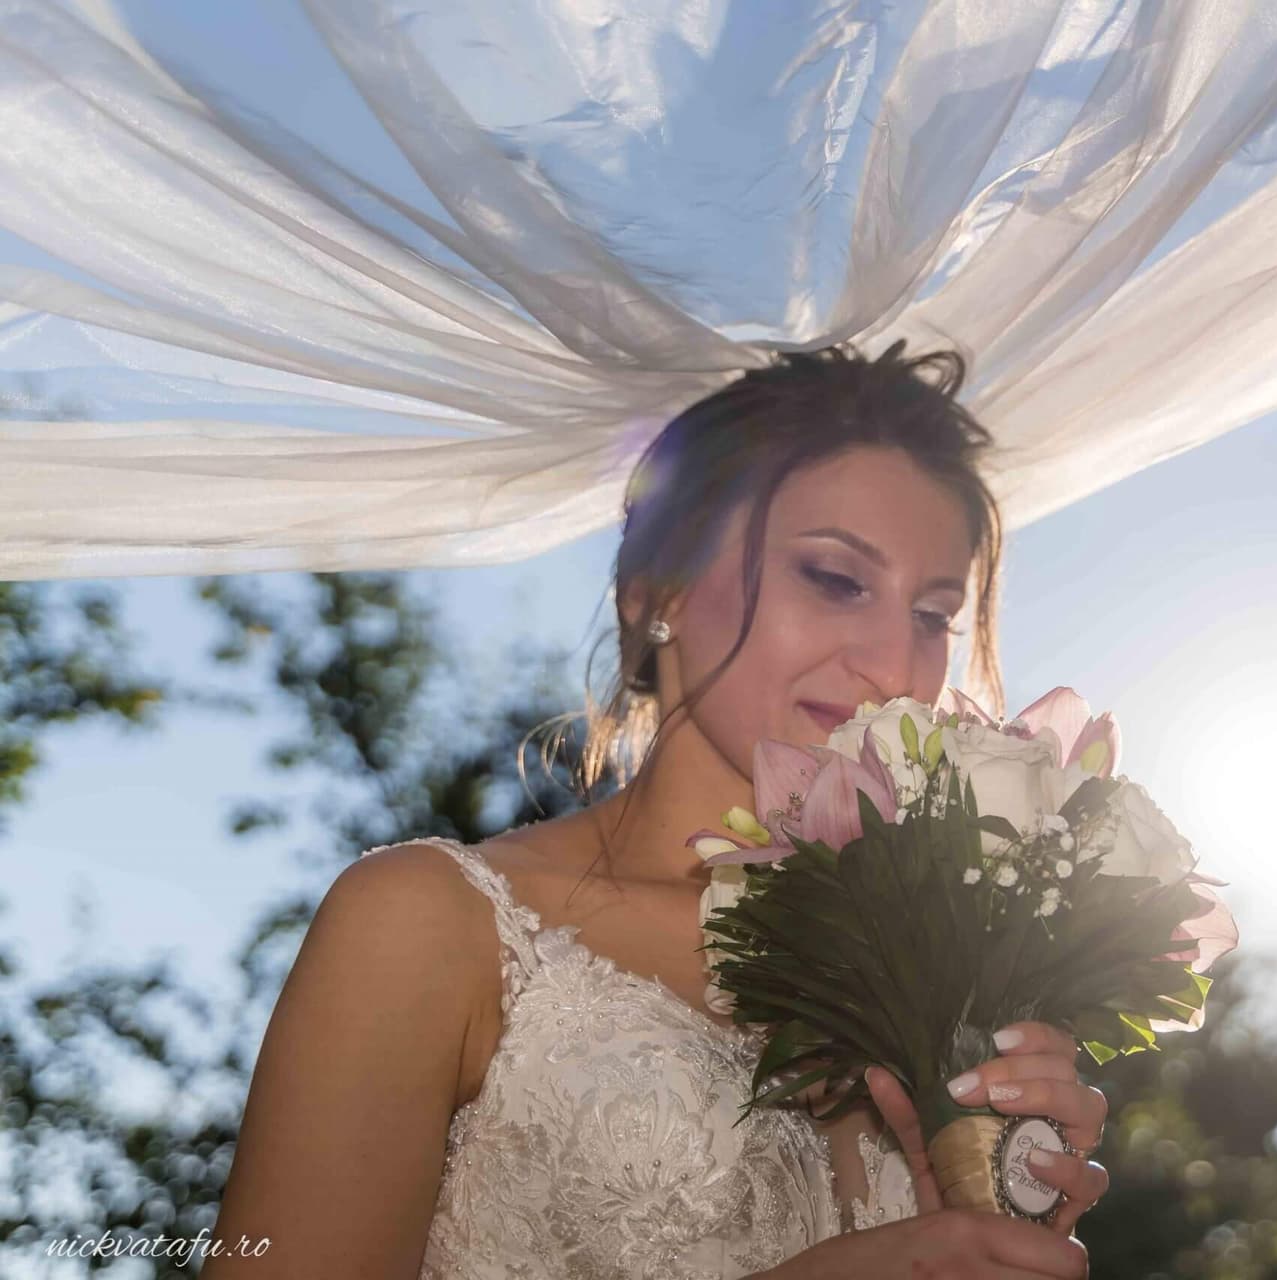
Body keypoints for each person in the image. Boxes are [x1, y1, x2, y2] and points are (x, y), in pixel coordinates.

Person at [201, 341, 1110, 1278]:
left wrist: (991, 1211)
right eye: (835, 580)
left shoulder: (937, 981)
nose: (893, 663)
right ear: (657, 593)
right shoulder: (430, 922)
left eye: (931, 616)